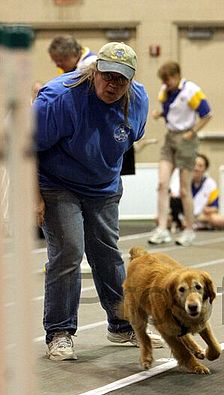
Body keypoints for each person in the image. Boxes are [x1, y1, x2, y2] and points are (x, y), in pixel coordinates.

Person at [33, 41, 163, 361]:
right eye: (107, 76)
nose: (113, 85)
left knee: (107, 255)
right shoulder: (59, 98)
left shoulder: (138, 101)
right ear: (94, 71)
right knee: (69, 251)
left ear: (130, 80)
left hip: (102, 186)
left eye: (121, 79)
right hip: (57, 183)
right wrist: (34, 196)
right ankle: (59, 332)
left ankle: (121, 325)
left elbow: (129, 139)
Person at [148, 61, 212, 246]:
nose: (166, 83)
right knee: (162, 183)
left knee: (184, 189)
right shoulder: (165, 91)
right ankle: (162, 228)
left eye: (168, 79)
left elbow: (207, 114)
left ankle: (189, 230)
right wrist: (160, 114)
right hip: (170, 137)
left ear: (176, 76)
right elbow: (171, 112)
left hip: (186, 139)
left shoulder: (191, 90)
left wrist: (193, 132)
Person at [169, 154, 224, 231]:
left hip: (200, 216)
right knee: (160, 219)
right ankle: (184, 223)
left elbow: (215, 208)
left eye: (200, 166)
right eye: (194, 165)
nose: (196, 168)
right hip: (182, 214)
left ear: (205, 169)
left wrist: (208, 210)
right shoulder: (179, 180)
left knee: (219, 220)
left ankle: (191, 224)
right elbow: (173, 199)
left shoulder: (211, 184)